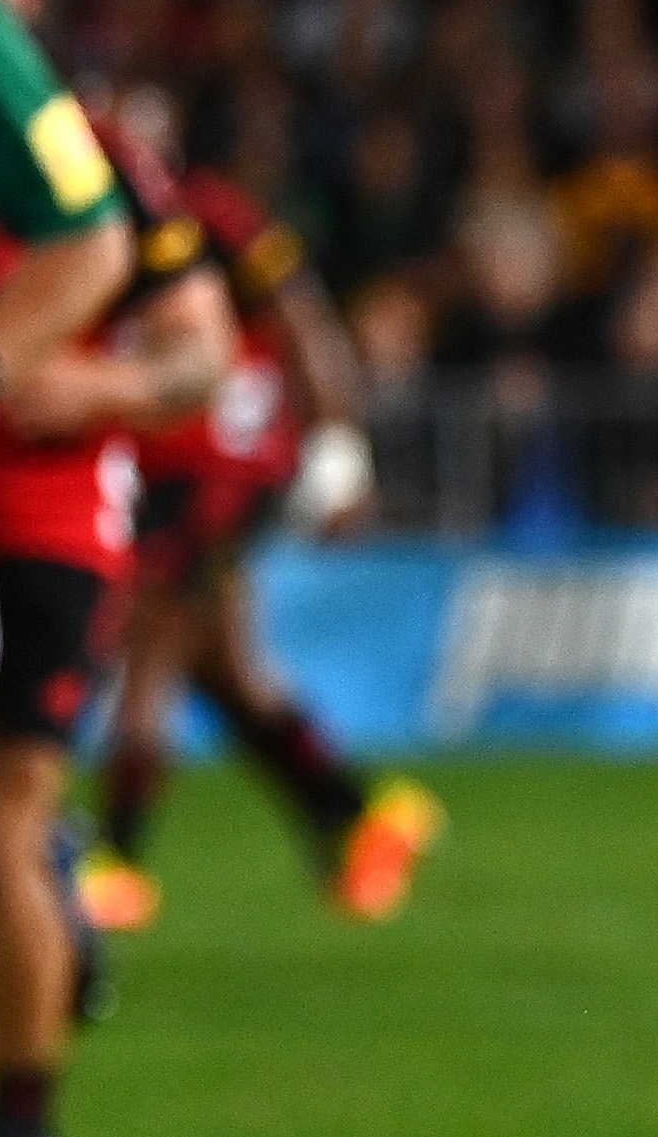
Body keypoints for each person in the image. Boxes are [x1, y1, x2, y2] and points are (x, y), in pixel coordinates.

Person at [0, 0, 225, 1137]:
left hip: (48, 532)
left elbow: (199, 349)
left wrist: (83, 390)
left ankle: (20, 1123)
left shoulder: (97, 156)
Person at [80, 86, 434, 935]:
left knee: (152, 646)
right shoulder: (87, 227)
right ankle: (360, 816)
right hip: (155, 462)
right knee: (227, 673)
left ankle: (116, 862)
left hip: (219, 467)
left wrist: (339, 452)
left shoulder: (209, 214)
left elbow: (302, 316)